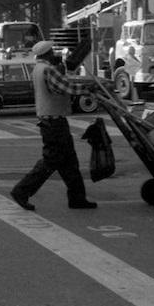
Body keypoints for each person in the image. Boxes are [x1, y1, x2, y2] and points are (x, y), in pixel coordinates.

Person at [10, 40, 98, 212]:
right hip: (54, 122)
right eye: (52, 52)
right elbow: (65, 88)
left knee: (69, 161)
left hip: (50, 120)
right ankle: (21, 191)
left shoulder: (38, 69)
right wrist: (88, 89)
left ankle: (77, 198)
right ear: (48, 54)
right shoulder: (48, 70)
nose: (54, 55)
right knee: (51, 161)